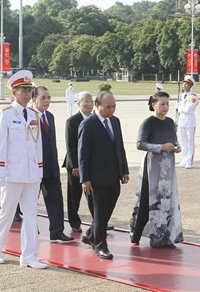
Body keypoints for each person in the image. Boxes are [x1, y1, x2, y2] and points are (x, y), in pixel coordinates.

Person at [0, 70, 47, 269]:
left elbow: (37, 144)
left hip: (31, 173)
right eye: (23, 90)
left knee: (31, 215)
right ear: (14, 92)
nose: (27, 94)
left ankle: (29, 255)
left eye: (30, 90)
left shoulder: (34, 115)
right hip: (12, 173)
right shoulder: (5, 114)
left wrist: (39, 170)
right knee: (7, 212)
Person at [78, 91, 130, 260]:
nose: (111, 110)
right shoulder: (88, 124)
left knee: (107, 211)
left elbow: (119, 147)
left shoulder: (115, 122)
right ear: (97, 106)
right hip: (96, 179)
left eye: (114, 106)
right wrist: (85, 179)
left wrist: (124, 170)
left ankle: (90, 234)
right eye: (108, 107)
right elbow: (83, 154)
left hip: (114, 176)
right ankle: (100, 245)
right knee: (100, 213)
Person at [130, 91, 183, 248]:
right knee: (149, 200)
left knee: (167, 199)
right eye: (162, 104)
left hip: (168, 166)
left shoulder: (170, 122)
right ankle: (137, 234)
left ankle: (165, 236)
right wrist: (160, 147)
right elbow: (140, 144)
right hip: (152, 166)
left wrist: (176, 147)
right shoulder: (148, 122)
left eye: (167, 103)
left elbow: (174, 140)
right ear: (153, 105)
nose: (165, 107)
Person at [31, 86, 73, 243]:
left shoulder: (50, 116)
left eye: (49, 97)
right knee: (30, 202)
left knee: (56, 200)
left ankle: (56, 232)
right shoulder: (28, 117)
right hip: (34, 167)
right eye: (43, 98)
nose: (47, 101)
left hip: (51, 167)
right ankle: (30, 230)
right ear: (34, 99)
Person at [63, 91, 95, 233]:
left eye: (91, 101)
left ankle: (98, 221)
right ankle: (74, 222)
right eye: (85, 101)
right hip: (75, 165)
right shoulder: (72, 121)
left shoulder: (95, 119)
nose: (89, 104)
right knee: (74, 194)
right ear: (78, 104)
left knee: (93, 194)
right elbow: (70, 146)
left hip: (91, 164)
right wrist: (75, 165)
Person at [177, 75, 198, 169]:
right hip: (182, 120)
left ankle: (189, 161)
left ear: (190, 85)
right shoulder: (181, 96)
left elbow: (188, 109)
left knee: (190, 142)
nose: (184, 85)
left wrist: (179, 108)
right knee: (183, 142)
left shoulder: (193, 97)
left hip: (189, 120)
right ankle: (184, 160)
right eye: (184, 83)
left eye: (186, 84)